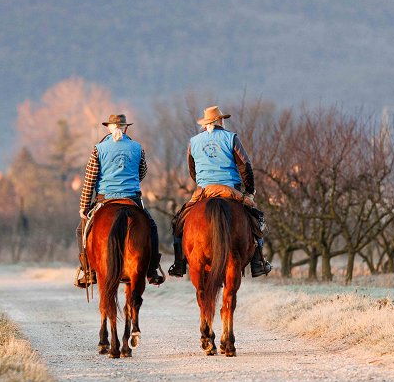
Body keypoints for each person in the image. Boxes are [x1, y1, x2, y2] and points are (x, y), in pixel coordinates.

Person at [168, 106, 271, 278]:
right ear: (220, 121)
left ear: (206, 123)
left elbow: (192, 170)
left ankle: (179, 263)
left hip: (204, 190)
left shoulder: (193, 142)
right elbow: (244, 166)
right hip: (230, 189)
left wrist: (202, 183)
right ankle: (258, 262)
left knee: (178, 222)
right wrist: (250, 190)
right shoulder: (231, 138)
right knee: (256, 218)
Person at [76, 113, 165, 289]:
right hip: (131, 197)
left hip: (105, 199)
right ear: (125, 128)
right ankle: (152, 269)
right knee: (152, 227)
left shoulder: (98, 149)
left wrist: (84, 207)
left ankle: (88, 271)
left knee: (80, 231)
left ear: (109, 128)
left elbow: (90, 179)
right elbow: (142, 172)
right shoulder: (137, 147)